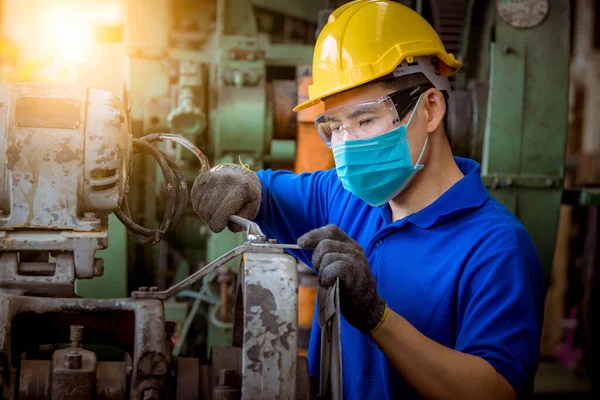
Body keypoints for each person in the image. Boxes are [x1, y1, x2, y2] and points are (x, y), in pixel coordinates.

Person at [191, 1, 546, 399]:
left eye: (364, 120)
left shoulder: (496, 248)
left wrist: (377, 318)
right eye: (335, 128)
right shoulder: (345, 199)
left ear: (431, 108)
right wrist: (234, 181)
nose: (347, 144)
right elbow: (265, 193)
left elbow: (494, 390)